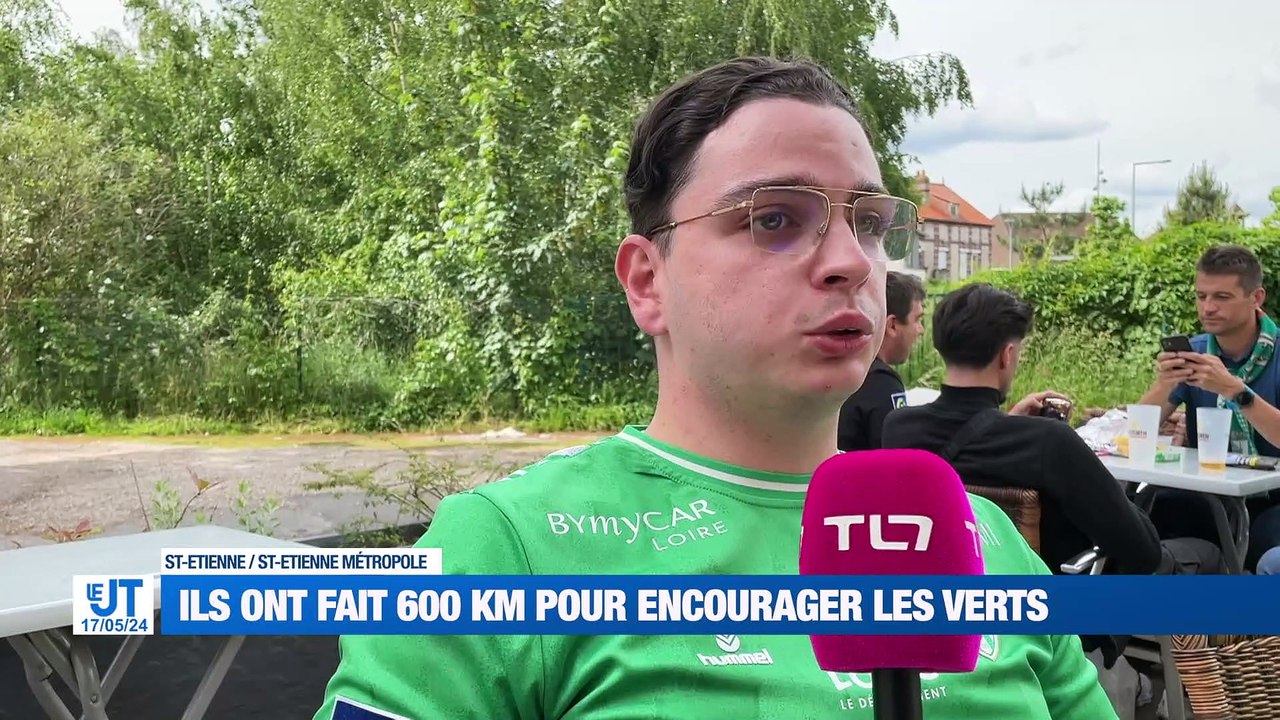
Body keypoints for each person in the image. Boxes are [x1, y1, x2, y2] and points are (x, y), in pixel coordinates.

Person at [312, 57, 1118, 719]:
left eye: (869, 222)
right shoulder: (505, 552)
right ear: (646, 281)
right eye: (773, 218)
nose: (851, 261)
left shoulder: (982, 539)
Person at [880, 283, 1224, 579]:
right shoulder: (1048, 442)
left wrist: (1013, 421)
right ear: (1007, 355)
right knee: (1206, 551)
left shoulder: (899, 428)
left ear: (941, 347)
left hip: (950, 595)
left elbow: (967, 447)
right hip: (1054, 615)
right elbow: (1143, 553)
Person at [1137, 244, 1280, 571]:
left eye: (1222, 297)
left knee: (1265, 549)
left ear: (1256, 298)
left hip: (1273, 500)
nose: (1208, 307)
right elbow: (1136, 433)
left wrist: (1235, 390)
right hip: (1208, 495)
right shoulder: (1196, 353)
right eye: (1201, 296)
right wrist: (1165, 384)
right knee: (1139, 524)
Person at [836, 270, 926, 450]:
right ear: (892, 325)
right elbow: (897, 458)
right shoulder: (883, 383)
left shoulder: (838, 371)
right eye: (917, 320)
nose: (921, 330)